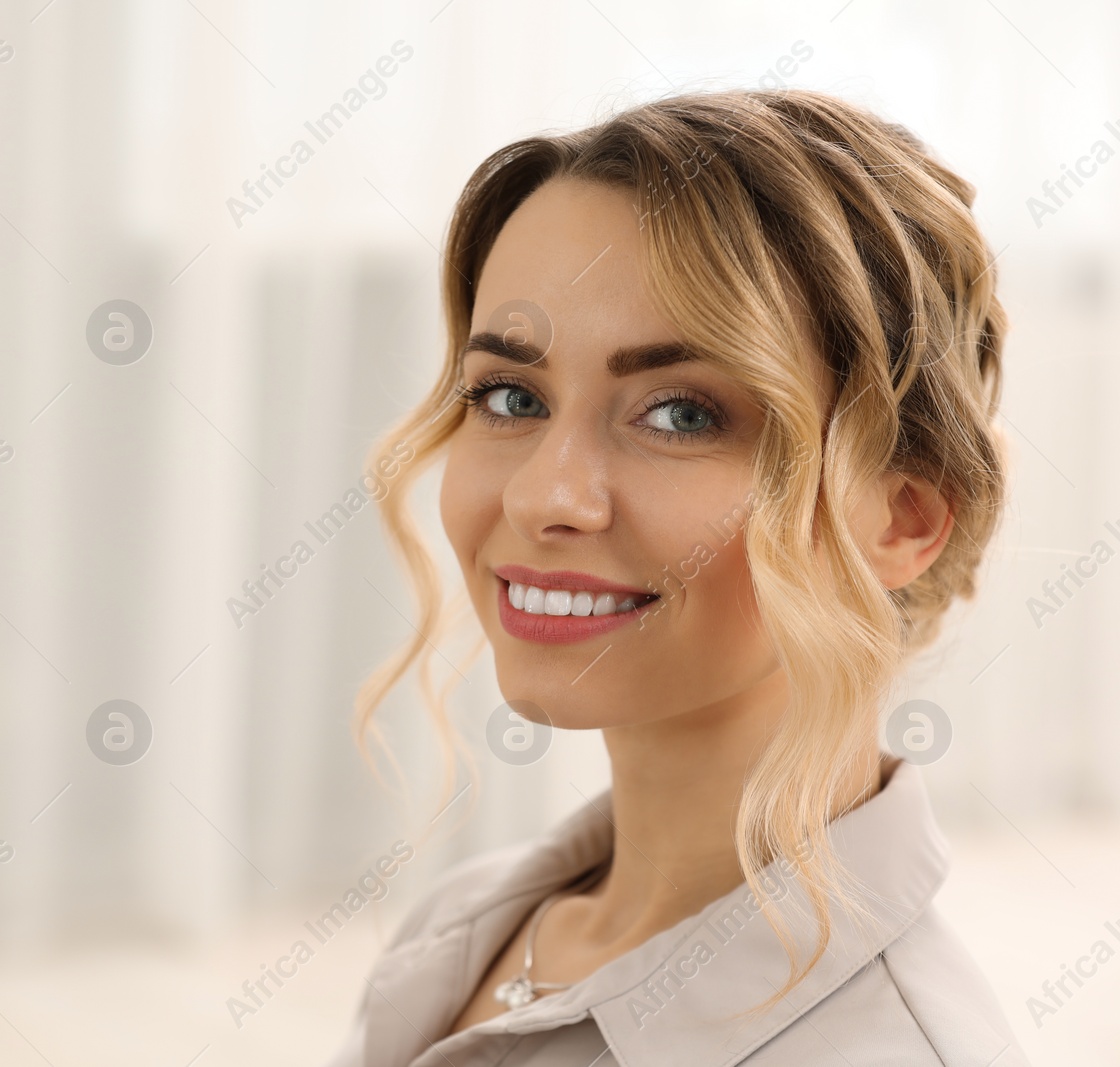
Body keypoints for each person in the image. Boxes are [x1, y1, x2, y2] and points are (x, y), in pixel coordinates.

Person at [324, 88, 1028, 1066]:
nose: (545, 496)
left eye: (681, 414)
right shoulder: (469, 918)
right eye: (509, 394)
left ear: (901, 517)